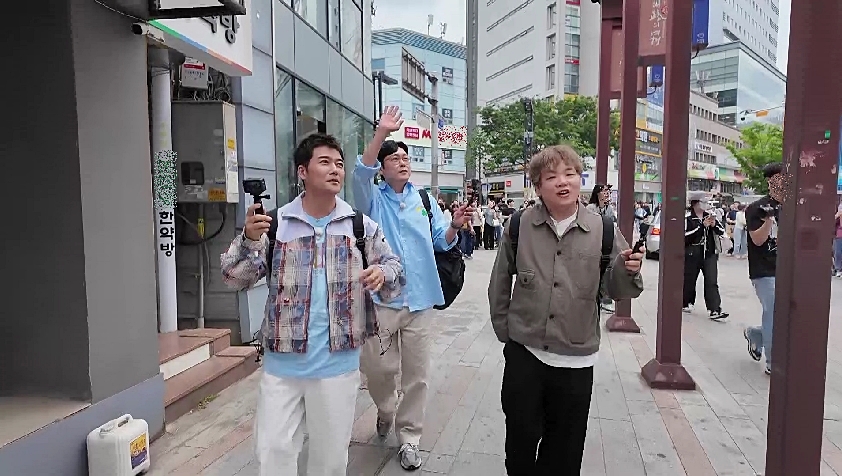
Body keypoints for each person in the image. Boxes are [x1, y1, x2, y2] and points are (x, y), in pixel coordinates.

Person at [220, 133, 403, 476]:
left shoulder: (358, 225)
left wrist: (382, 272)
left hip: (337, 366)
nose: (335, 169)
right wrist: (249, 240)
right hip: (282, 366)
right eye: (325, 162)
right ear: (302, 172)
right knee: (272, 454)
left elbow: (395, 269)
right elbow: (233, 277)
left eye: (339, 164)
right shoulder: (276, 225)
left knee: (329, 460)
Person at [488, 145, 644, 475]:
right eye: (552, 176)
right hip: (525, 353)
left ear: (579, 180)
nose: (563, 181)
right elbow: (499, 281)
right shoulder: (519, 225)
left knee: (565, 452)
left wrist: (628, 271)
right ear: (538, 186)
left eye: (570, 174)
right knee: (519, 443)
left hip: (576, 359)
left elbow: (617, 290)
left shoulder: (603, 229)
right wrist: (506, 333)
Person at [352, 106, 473, 470]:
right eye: (395, 158)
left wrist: (454, 226)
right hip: (382, 299)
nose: (403, 162)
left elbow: (440, 240)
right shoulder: (371, 199)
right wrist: (381, 134)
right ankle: (386, 408)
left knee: (417, 375)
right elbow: (361, 171)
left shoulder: (423, 199)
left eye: (406, 158)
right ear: (383, 168)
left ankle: (410, 438)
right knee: (378, 369)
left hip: (420, 300)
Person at [743, 162, 784, 376]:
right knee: (774, 310)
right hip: (764, 269)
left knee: (785, 314)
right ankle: (772, 361)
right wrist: (768, 220)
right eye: (779, 178)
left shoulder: (793, 206)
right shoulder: (757, 208)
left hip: (787, 269)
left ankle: (757, 335)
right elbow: (757, 240)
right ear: (770, 181)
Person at [682, 192, 729, 320]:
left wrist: (714, 225)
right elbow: (685, 237)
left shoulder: (710, 216)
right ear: (695, 203)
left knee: (711, 281)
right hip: (692, 253)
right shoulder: (688, 218)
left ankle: (714, 309)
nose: (706, 205)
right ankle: (686, 302)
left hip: (709, 253)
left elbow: (721, 231)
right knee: (690, 279)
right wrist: (701, 226)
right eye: (703, 202)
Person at [834, 197, 842, 277]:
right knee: (838, 252)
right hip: (840, 232)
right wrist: (837, 215)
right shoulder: (838, 207)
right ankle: (838, 269)